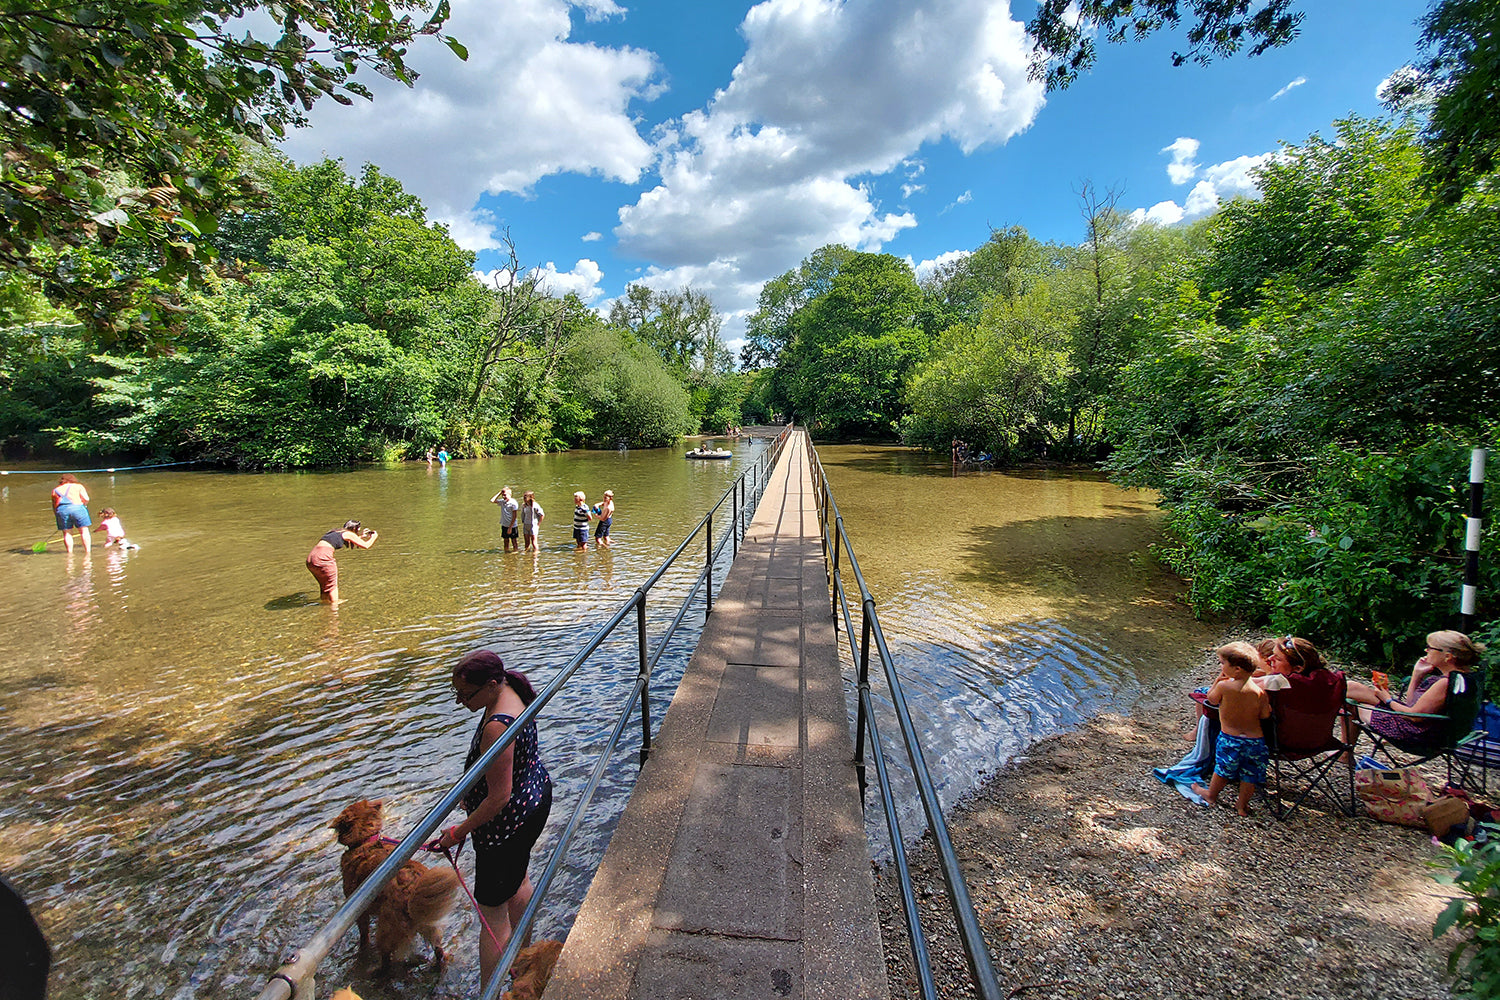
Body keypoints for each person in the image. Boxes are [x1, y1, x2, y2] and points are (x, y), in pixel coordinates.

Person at [438, 650, 552, 988]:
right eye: (455, 692)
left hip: (506, 825)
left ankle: (491, 991)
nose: (459, 701)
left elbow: (499, 798)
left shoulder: (497, 726)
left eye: (465, 694)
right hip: (533, 800)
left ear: (490, 685)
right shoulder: (512, 691)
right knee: (519, 881)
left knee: (492, 914)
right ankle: (525, 962)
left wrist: (457, 832)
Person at [1345, 631, 1485, 744]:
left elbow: (1414, 717)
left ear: (1447, 656)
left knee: (1351, 703)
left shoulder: (1445, 683)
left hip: (1416, 735)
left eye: (1430, 648)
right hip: (1435, 731)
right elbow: (1412, 706)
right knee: (1352, 688)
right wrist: (1417, 675)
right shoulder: (1466, 678)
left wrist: (1387, 700)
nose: (1426, 650)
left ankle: (1341, 753)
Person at [1190, 642, 1271, 817]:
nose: (1220, 667)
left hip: (1231, 738)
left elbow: (1211, 700)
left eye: (1222, 663)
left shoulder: (1224, 686)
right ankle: (1242, 806)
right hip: (1255, 740)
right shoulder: (1259, 692)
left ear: (1237, 670)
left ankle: (1210, 795)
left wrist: (1217, 681)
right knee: (1250, 774)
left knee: (1223, 768)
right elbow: (1265, 715)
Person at [305, 520, 378, 607]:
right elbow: (366, 545)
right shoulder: (348, 534)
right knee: (332, 586)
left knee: (324, 585)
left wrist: (361, 536)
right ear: (355, 528)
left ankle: (324, 605)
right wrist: (374, 537)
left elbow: (347, 540)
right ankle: (334, 609)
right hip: (323, 558)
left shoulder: (335, 532)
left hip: (311, 559)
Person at [51, 473, 92, 554]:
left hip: (62, 510)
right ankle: (88, 552)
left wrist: (56, 515)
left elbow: (54, 505)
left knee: (67, 533)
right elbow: (86, 499)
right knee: (84, 531)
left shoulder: (55, 490)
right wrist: (84, 505)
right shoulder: (78, 486)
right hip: (78, 508)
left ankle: (70, 553)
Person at [492, 486, 520, 553]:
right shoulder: (502, 502)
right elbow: (492, 500)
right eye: (502, 495)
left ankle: (515, 553)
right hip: (504, 524)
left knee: (514, 541)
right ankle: (506, 553)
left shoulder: (513, 503)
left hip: (512, 525)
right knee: (505, 541)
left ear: (510, 494)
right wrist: (499, 493)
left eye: (505, 495)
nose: (503, 497)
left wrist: (510, 527)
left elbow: (514, 516)